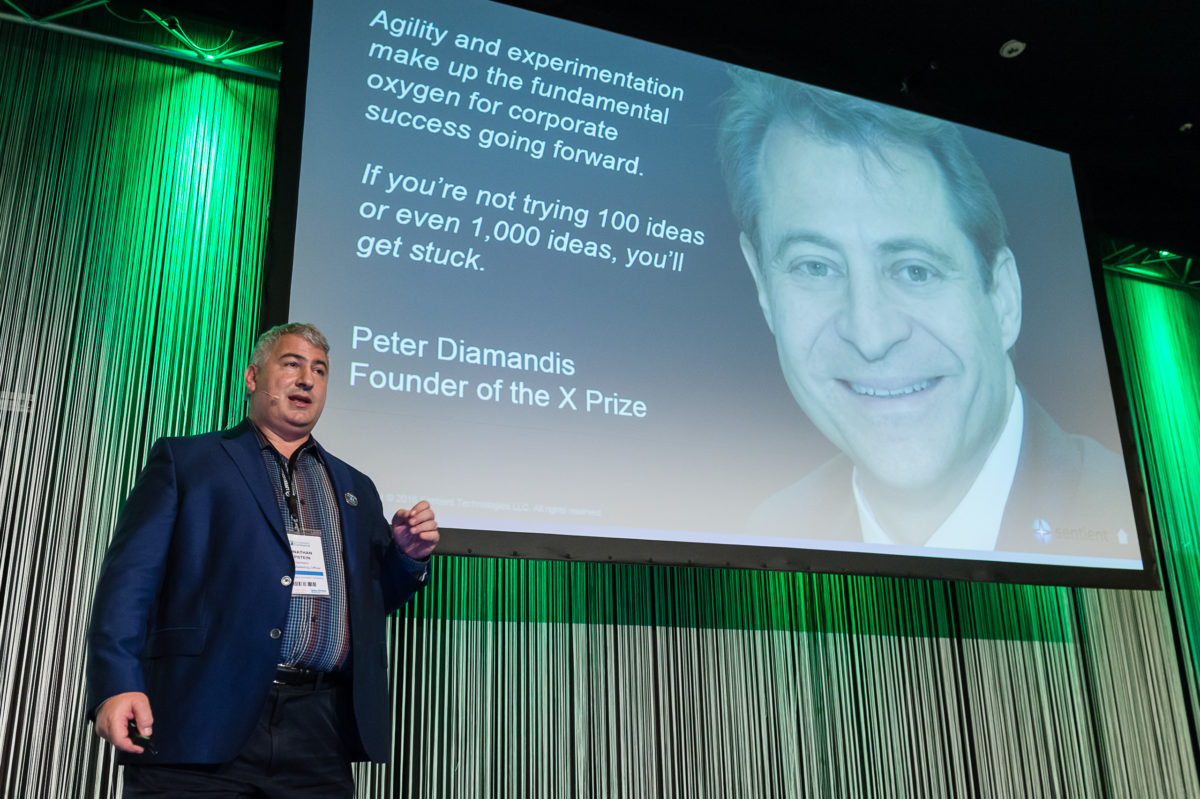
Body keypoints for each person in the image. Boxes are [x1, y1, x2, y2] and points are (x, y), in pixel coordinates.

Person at [717, 68, 1135, 554]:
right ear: (762, 284)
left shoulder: (1121, 514)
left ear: (1003, 298)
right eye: (815, 267)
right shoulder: (768, 530)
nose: (871, 336)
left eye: (915, 271)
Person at [86, 322, 439, 796]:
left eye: (320, 370)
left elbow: (370, 604)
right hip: (200, 713)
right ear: (253, 377)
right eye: (292, 364)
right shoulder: (188, 462)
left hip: (319, 730)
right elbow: (128, 584)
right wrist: (115, 684)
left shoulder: (356, 487)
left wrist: (408, 558)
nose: (307, 379)